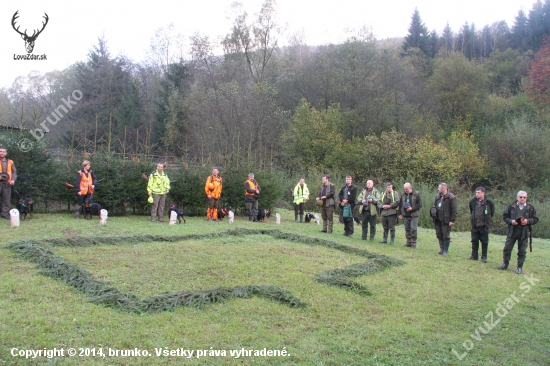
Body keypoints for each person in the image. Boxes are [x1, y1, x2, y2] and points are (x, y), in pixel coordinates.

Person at [498, 190, 538, 274]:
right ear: (517, 197)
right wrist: (511, 221)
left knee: (522, 250)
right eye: (521, 197)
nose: (522, 199)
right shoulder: (511, 206)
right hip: (512, 230)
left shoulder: (530, 208)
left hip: (524, 232)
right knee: (507, 248)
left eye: (524, 197)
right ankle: (505, 264)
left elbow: (536, 219)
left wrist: (527, 221)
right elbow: (505, 216)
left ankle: (519, 267)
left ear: (526, 198)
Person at [468, 187, 495, 262]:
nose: (477, 194)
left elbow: (492, 212)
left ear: (483, 193)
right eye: (476, 192)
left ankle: (484, 257)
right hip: (475, 225)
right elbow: (471, 210)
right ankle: (474, 255)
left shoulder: (489, 202)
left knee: (484, 242)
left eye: (478, 192)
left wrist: (487, 221)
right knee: (474, 241)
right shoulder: (473, 201)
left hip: (484, 226)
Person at [433, 182, 457, 256]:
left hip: (446, 220)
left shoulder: (451, 197)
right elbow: (435, 206)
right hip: (438, 219)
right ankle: (441, 249)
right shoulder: (438, 197)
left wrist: (452, 220)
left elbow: (454, 210)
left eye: (439, 188)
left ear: (443, 188)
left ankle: (445, 250)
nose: (438, 189)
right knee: (439, 234)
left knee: (445, 235)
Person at [398, 182, 422, 248]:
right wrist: (400, 214)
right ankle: (408, 242)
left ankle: (413, 243)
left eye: (407, 189)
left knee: (413, 229)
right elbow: (400, 204)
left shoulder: (416, 194)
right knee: (407, 229)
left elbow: (419, 204)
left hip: (414, 215)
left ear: (410, 188)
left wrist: (412, 209)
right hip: (405, 215)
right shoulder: (403, 194)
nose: (405, 190)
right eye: (405, 189)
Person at [0, 146, 16, 219]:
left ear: (6, 153)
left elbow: (14, 172)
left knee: (6, 200)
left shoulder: (10, 161)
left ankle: (4, 214)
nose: (2, 153)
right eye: (0, 151)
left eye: (3, 152)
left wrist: (13, 180)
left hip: (7, 183)